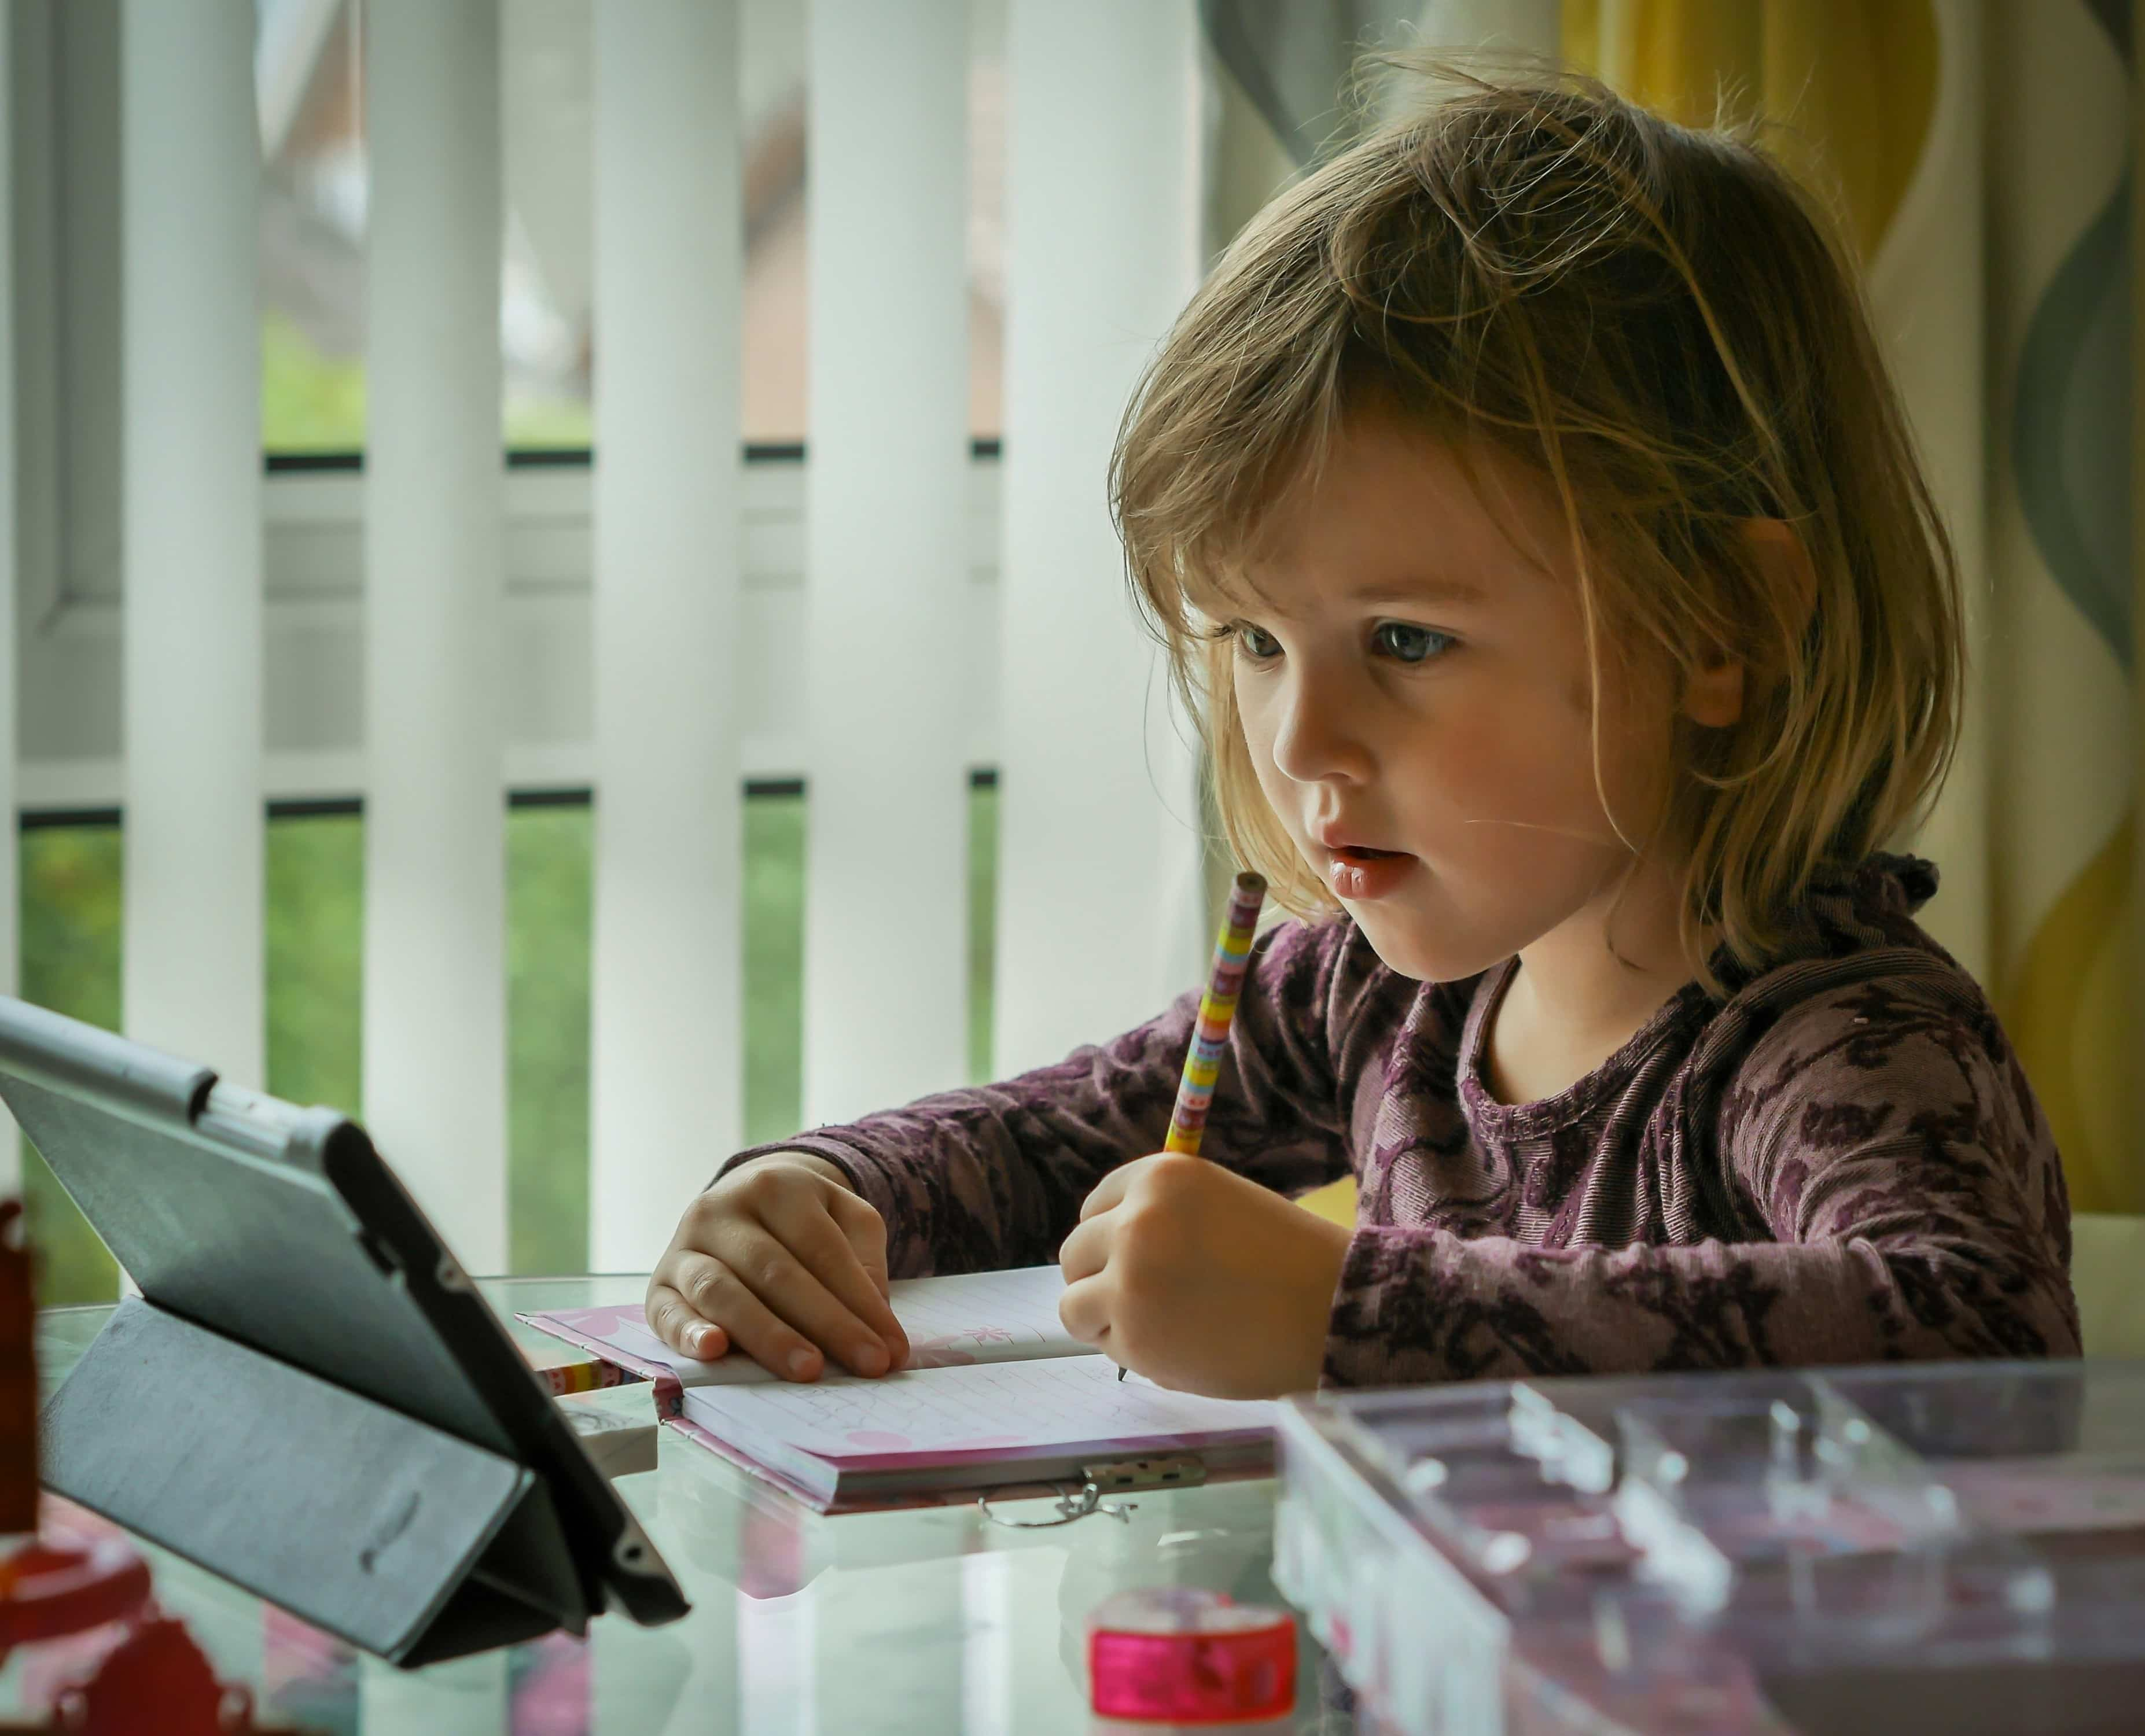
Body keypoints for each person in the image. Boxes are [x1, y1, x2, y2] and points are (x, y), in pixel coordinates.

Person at [644, 61, 2079, 1399]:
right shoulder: (1361, 1000)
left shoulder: (1835, 1042)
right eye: (1256, 643)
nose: (1300, 741)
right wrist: (814, 1193)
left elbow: (1978, 1335)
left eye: (1405, 640)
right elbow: (1029, 1149)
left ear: (1719, 629)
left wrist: (1351, 1312)